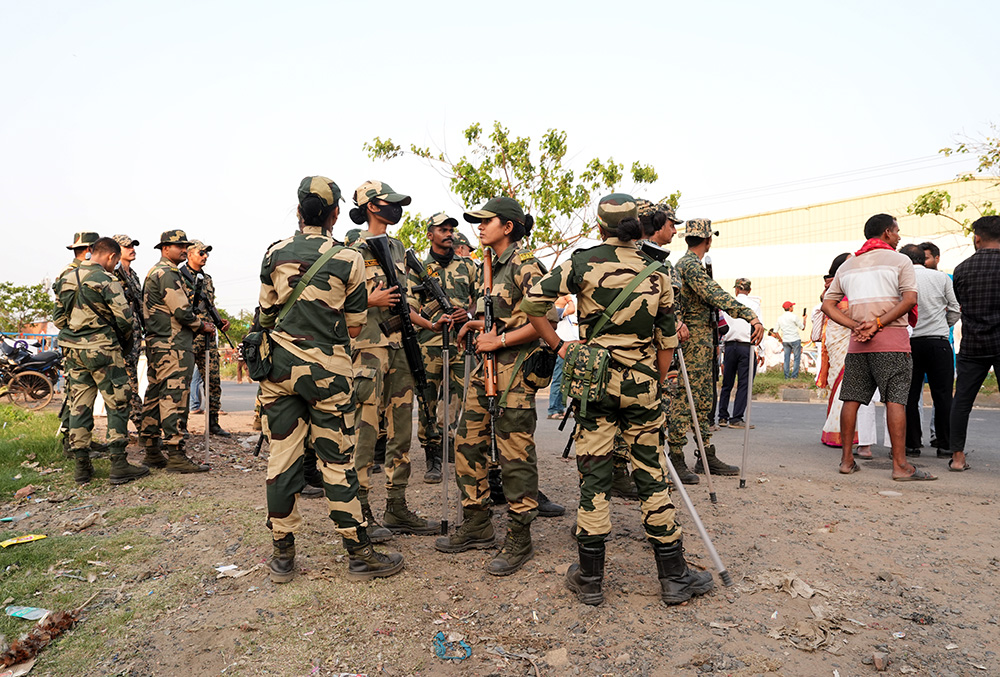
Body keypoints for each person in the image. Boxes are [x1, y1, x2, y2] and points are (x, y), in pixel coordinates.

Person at [524, 193, 712, 606]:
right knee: (651, 474)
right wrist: (655, 381)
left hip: (595, 385)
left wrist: (560, 347)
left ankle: (590, 578)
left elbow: (532, 303)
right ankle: (674, 576)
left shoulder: (581, 262)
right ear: (636, 226)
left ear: (600, 226)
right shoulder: (658, 271)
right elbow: (667, 341)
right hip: (643, 385)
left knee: (595, 478)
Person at [257, 176, 403, 583]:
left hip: (280, 372)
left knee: (282, 460)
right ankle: (359, 554)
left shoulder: (274, 254)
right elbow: (355, 327)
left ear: (300, 210)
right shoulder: (348, 258)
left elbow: (266, 312)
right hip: (330, 374)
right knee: (337, 462)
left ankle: (283, 556)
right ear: (336, 213)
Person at [434, 196, 545, 576]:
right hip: (485, 371)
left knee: (514, 453)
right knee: (466, 441)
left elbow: (541, 322)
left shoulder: (525, 266)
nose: (479, 227)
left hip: (514, 374)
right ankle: (477, 521)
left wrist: (497, 342)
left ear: (508, 226)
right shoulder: (490, 267)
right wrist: (475, 325)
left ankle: (520, 534)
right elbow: (503, 318)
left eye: (486, 221)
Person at [348, 180, 439, 540]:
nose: (396, 209)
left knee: (401, 431)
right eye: (390, 203)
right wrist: (369, 301)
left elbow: (400, 301)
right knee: (366, 433)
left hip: (401, 347)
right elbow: (336, 299)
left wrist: (431, 322)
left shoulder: (399, 248)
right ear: (372, 206)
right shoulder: (350, 249)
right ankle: (361, 510)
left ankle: (397, 506)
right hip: (368, 351)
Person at [822, 214, 932, 480]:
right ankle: (900, 466)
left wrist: (854, 325)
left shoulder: (848, 266)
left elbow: (827, 304)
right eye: (897, 231)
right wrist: (879, 323)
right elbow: (909, 300)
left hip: (858, 343)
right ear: (886, 233)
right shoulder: (900, 260)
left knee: (852, 399)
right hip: (892, 341)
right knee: (895, 400)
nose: (899, 236)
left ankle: (847, 461)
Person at [668, 219, 764, 479]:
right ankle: (676, 455)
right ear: (708, 240)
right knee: (685, 399)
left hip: (705, 340)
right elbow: (714, 293)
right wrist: (748, 314)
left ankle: (705, 453)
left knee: (703, 400)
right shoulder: (689, 265)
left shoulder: (692, 264)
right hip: (694, 340)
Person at [52, 237, 148, 485]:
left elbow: (58, 320)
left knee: (79, 405)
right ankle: (118, 464)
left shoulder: (65, 278)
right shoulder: (107, 280)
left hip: (73, 351)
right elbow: (125, 319)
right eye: (115, 261)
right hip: (103, 350)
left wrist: (76, 333)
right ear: (111, 257)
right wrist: (121, 343)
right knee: (118, 402)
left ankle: (82, 467)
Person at [140, 229, 216, 473]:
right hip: (172, 344)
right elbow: (182, 312)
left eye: (185, 246)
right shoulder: (167, 273)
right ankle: (175, 453)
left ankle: (152, 450)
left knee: (154, 395)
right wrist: (201, 325)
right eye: (178, 246)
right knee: (174, 397)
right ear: (165, 249)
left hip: (158, 342)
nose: (184, 250)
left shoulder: (156, 271)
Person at [408, 212, 476, 483]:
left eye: (451, 229)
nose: (448, 233)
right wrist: (430, 323)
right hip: (428, 344)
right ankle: (432, 455)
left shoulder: (468, 267)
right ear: (430, 235)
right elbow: (408, 308)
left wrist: (467, 315)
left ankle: (451, 448)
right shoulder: (415, 268)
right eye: (442, 229)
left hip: (460, 343)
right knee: (428, 400)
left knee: (459, 397)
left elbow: (481, 299)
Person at [949, 215, 1000, 473]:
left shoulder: (962, 269)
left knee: (962, 401)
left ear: (977, 238)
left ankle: (957, 458)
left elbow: (959, 302)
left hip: (973, 344)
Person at [898, 243, 960, 458]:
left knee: (910, 395)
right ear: (923, 259)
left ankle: (912, 445)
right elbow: (955, 309)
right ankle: (945, 445)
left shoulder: (899, 280)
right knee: (943, 395)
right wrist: (943, 325)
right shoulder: (941, 278)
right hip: (938, 342)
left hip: (909, 343)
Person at [816, 253, 878, 454]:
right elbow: (842, 310)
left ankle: (849, 434)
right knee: (846, 383)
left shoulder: (849, 283)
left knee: (850, 383)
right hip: (841, 335)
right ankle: (842, 433)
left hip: (849, 334)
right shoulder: (836, 284)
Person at [180, 240, 231, 437]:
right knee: (183, 383)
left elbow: (209, 304)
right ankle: (181, 426)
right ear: (189, 254)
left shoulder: (207, 279)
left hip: (209, 338)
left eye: (206, 253)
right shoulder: (179, 276)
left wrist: (219, 322)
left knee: (213, 381)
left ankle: (213, 423)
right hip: (190, 336)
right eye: (201, 253)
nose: (205, 256)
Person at [55, 231, 100, 456]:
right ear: (90, 250)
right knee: (75, 395)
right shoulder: (72, 273)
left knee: (83, 394)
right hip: (77, 343)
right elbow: (61, 314)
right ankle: (71, 443)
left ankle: (83, 440)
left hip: (79, 343)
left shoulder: (77, 271)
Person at [112, 234, 146, 435]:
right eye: (127, 246)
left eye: (133, 245)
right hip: (121, 338)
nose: (132, 249)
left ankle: (126, 428)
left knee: (131, 381)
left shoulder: (133, 275)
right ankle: (140, 427)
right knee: (129, 383)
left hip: (135, 337)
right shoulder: (112, 275)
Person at [718, 278, 762, 429]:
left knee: (727, 383)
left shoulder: (728, 304)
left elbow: (722, 326)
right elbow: (758, 328)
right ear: (749, 290)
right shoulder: (755, 305)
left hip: (730, 346)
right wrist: (760, 350)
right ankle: (736, 418)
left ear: (736, 290)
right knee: (744, 383)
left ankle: (722, 417)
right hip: (746, 346)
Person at [546, 294, 577, 419]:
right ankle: (553, 409)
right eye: (562, 296)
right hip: (561, 350)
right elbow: (572, 309)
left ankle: (559, 408)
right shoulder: (556, 311)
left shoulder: (564, 315)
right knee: (558, 379)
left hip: (568, 349)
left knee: (564, 380)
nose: (565, 298)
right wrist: (569, 299)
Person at [777, 301, 805, 378]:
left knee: (786, 358)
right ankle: (794, 376)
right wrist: (804, 319)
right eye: (792, 306)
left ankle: (786, 376)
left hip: (785, 340)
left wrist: (780, 339)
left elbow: (775, 331)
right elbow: (802, 327)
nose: (793, 307)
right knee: (796, 358)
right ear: (789, 308)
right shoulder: (794, 317)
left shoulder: (780, 318)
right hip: (795, 339)